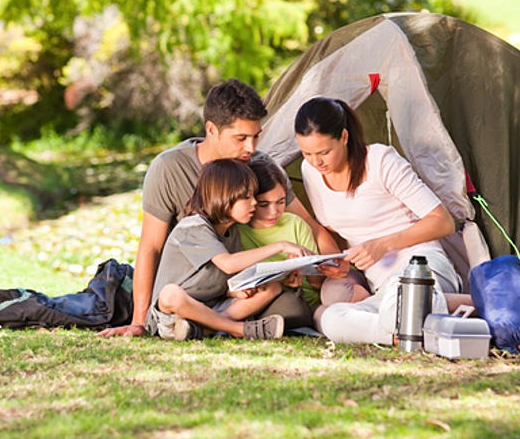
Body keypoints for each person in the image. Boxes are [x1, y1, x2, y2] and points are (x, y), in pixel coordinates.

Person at [100, 79, 342, 338]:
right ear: (212, 129)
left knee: (292, 309)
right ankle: (221, 326)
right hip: (193, 286)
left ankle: (203, 326)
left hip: (235, 289)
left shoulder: (260, 165)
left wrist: (336, 266)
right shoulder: (169, 169)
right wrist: (139, 321)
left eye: (256, 136)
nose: (251, 148)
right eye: (241, 138)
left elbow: (309, 225)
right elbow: (151, 246)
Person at [294, 97, 460, 345]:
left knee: (398, 301)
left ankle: (420, 316)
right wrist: (341, 263)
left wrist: (383, 245)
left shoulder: (380, 161)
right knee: (328, 317)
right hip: (380, 289)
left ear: (344, 137)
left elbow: (443, 222)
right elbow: (336, 229)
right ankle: (400, 333)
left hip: (422, 267)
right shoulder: (312, 172)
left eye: (324, 152)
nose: (316, 162)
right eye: (306, 153)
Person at [144, 159, 311, 340]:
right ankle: (239, 329)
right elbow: (228, 264)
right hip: (173, 315)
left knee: (272, 287)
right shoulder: (192, 227)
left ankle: (206, 329)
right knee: (170, 293)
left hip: (212, 308)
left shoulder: (232, 231)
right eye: (246, 197)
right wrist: (280, 245)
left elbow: (219, 279)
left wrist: (236, 290)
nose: (254, 203)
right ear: (223, 196)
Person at [238, 157, 370, 329]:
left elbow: (317, 283)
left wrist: (305, 267)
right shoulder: (240, 232)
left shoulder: (294, 223)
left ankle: (374, 305)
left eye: (281, 202)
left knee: (334, 293)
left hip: (327, 287)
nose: (274, 212)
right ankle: (372, 324)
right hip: (301, 304)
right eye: (264, 204)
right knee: (325, 320)